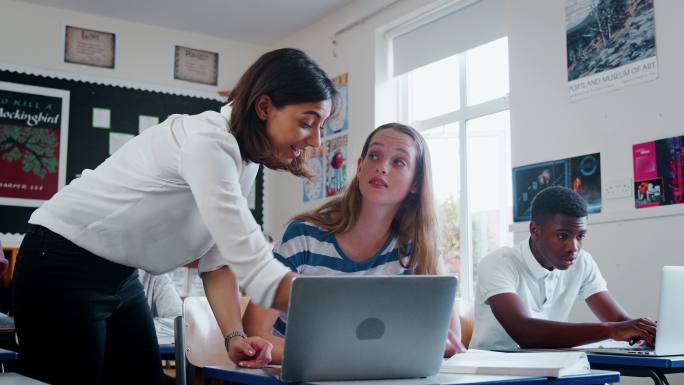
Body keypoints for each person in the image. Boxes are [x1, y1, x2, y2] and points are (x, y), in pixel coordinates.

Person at [12, 48, 339, 385]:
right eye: (307, 122)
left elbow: (218, 260)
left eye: (321, 127)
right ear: (264, 107)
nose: (315, 141)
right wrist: (337, 310)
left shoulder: (245, 161)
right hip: (61, 260)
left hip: (120, 273)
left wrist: (234, 337)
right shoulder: (208, 142)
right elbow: (249, 259)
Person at [243, 123, 466, 364]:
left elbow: (452, 341)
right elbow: (255, 331)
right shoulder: (304, 236)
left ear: (415, 184)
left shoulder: (417, 248)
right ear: (360, 167)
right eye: (374, 156)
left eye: (398, 162)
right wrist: (344, 358)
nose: (381, 167)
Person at [469, 186, 657, 350]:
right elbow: (524, 332)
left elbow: (619, 322)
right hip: (493, 370)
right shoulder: (498, 263)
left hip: (551, 366)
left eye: (580, 236)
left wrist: (647, 332)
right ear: (535, 230)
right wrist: (610, 330)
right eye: (562, 236)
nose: (573, 247)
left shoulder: (582, 263)